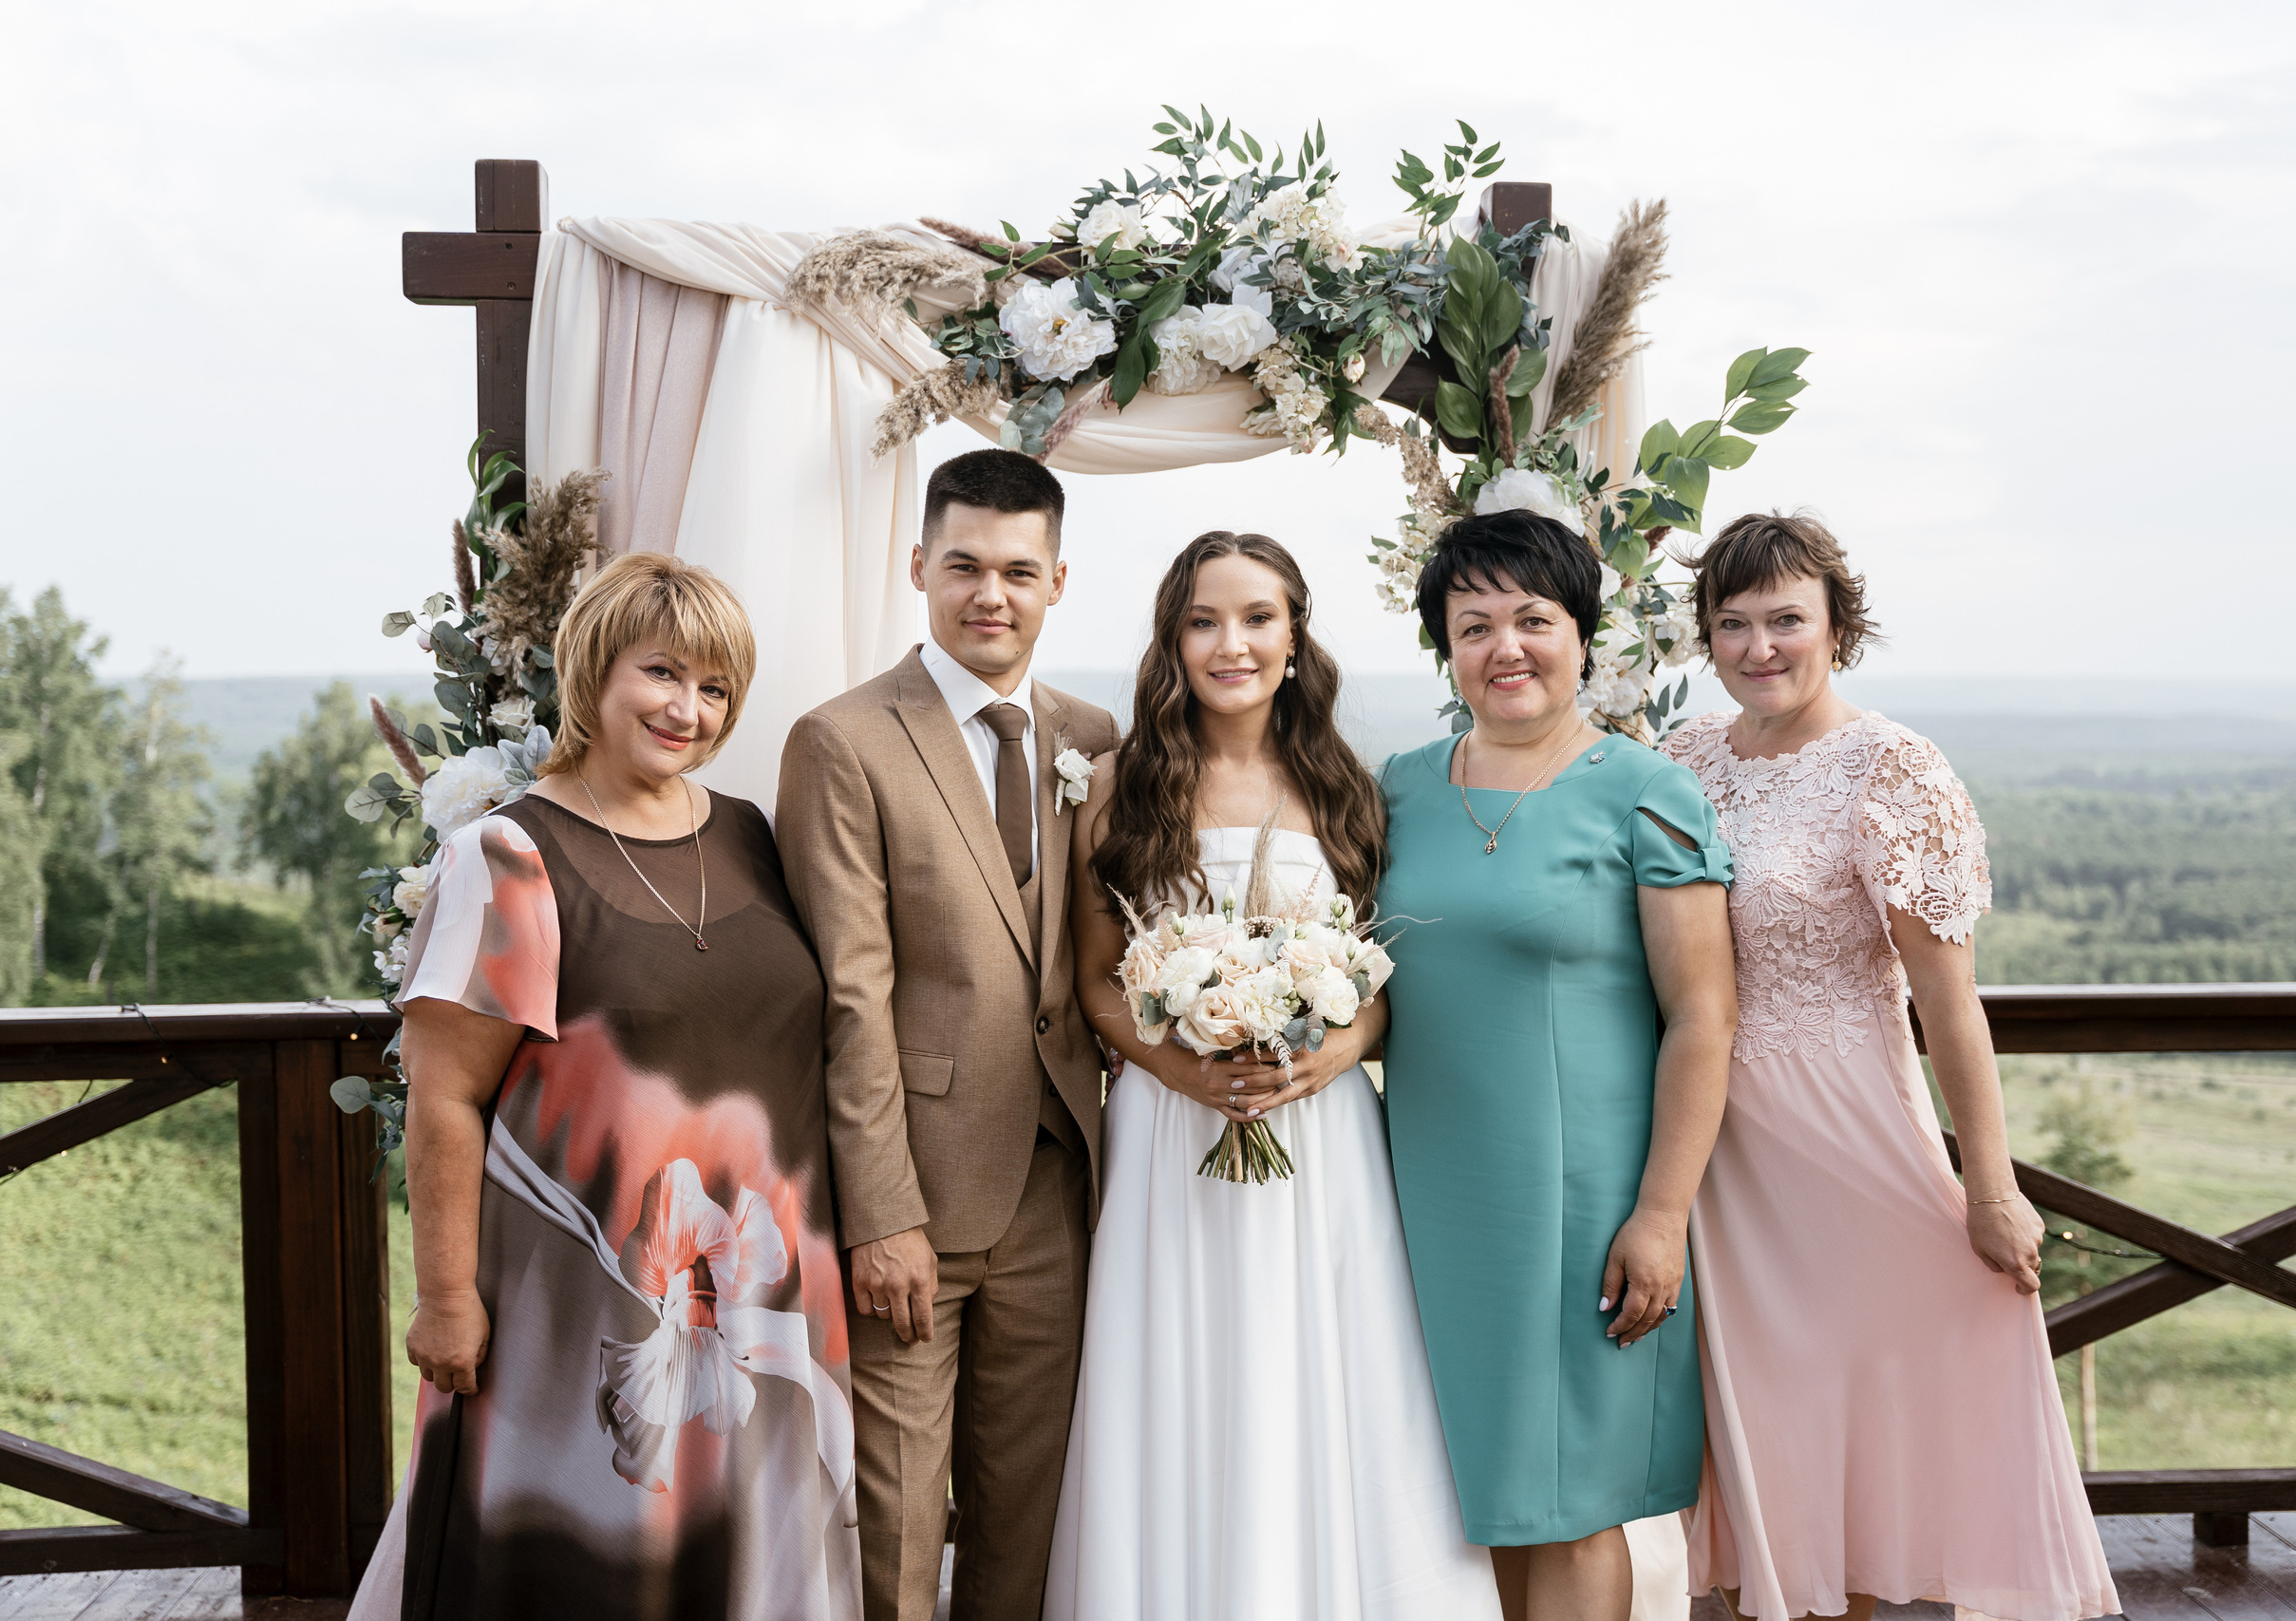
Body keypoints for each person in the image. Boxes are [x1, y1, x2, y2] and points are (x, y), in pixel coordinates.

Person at [376, 552, 858, 1620]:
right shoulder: (508, 855)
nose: (689, 709)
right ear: (594, 671)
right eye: (663, 673)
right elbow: (446, 1096)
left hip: (764, 1306)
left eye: (716, 687)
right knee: (587, 1569)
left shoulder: (749, 834)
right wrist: (445, 1298)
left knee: (738, 1565)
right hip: (582, 1308)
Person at [1658, 511, 2117, 1621]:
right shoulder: (1678, 760)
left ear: (1836, 627)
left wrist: (1991, 1188)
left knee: (1842, 1432)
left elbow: (1951, 1012)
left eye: (1785, 620)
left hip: (1845, 1141)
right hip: (1712, 1155)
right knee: (1746, 1429)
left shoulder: (1893, 769)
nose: (1758, 646)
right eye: (1733, 623)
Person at [1046, 531, 1501, 1620]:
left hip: (1319, 1130)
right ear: (1173, 639)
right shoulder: (1116, 788)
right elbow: (1098, 982)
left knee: (1327, 1376)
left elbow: (1385, 979)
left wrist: (1341, 1046)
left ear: (1295, 637)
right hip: (1171, 1129)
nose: (1231, 643)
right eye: (1204, 620)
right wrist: (1183, 1068)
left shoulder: (1345, 785)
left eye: (1257, 618)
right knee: (1182, 1383)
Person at [1374, 509, 1740, 1621]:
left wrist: (1660, 1216)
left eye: (1533, 618)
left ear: (1583, 633)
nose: (1506, 648)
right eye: (1473, 624)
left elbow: (1702, 1019)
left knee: (1573, 1503)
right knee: (1477, 1497)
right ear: (1444, 647)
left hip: (1587, 1204)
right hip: (1428, 1207)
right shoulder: (1396, 787)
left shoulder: (1647, 791)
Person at [777, 449, 1121, 1621]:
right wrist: (881, 1216)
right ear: (919, 566)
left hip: (1061, 1185)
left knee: (1029, 1511)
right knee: (898, 1519)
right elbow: (849, 997)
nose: (991, 594)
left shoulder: (1095, 736)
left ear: (1058, 581)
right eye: (964, 565)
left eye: (1019, 571)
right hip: (912, 1195)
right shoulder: (842, 741)